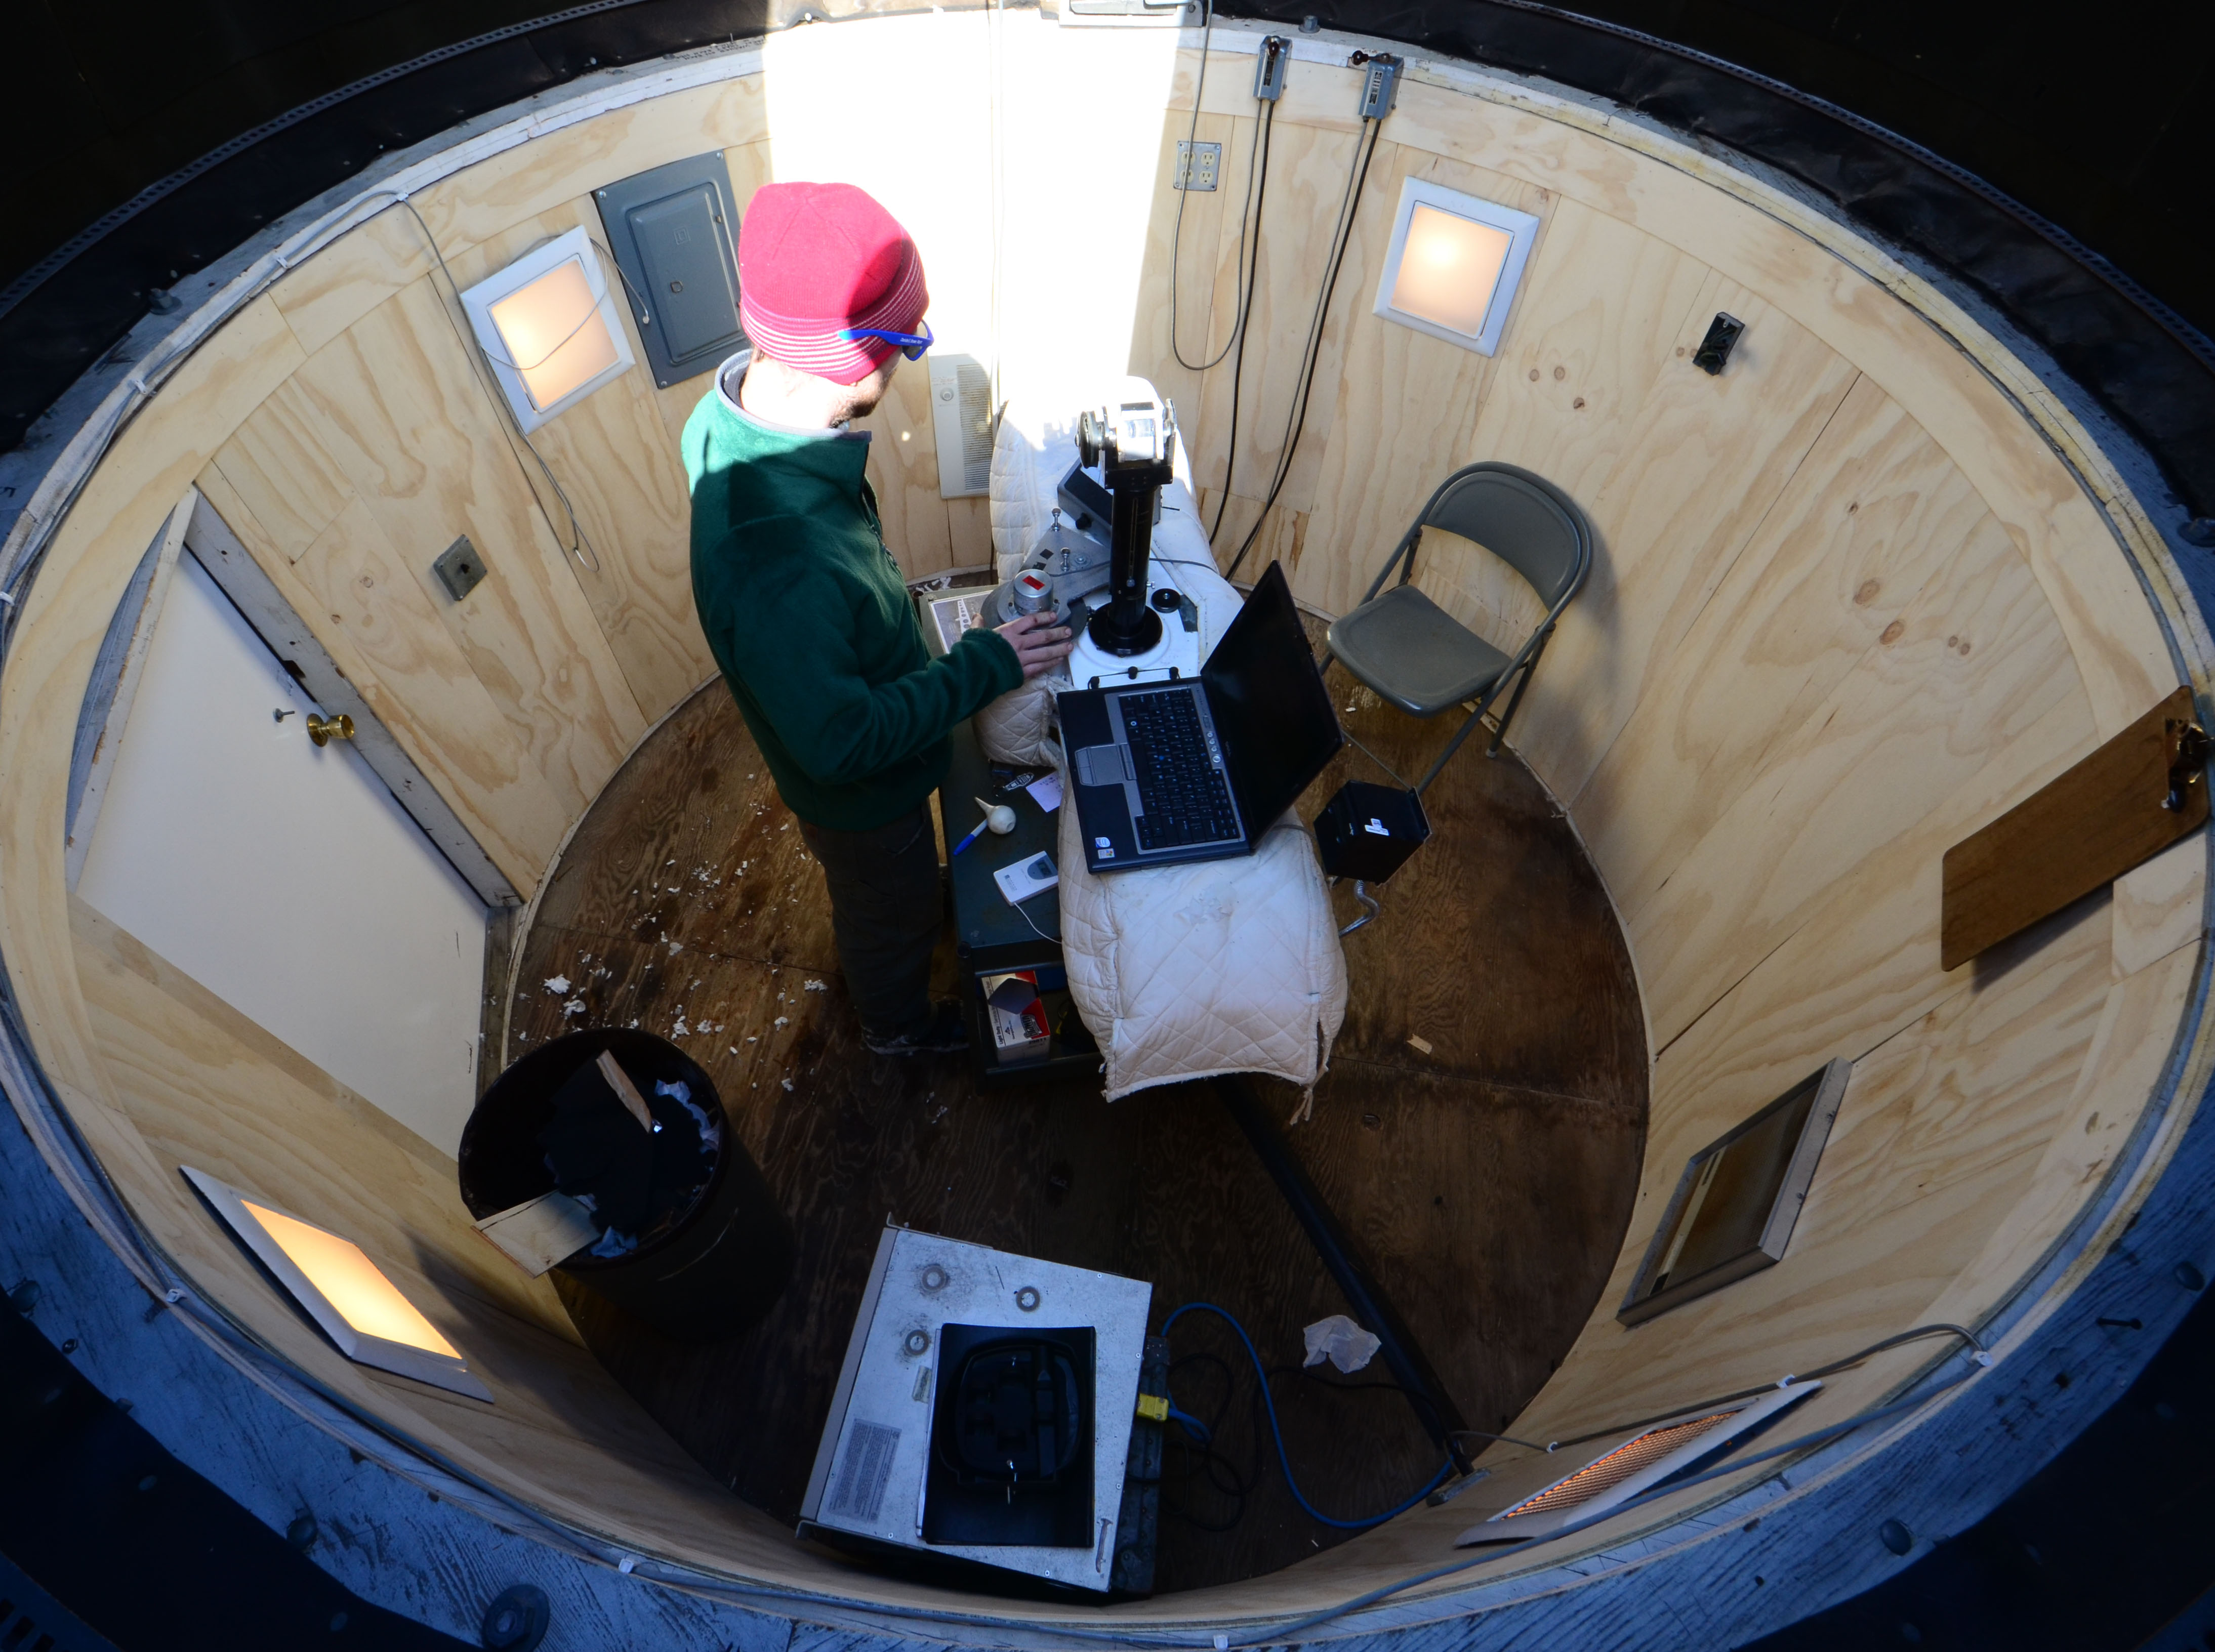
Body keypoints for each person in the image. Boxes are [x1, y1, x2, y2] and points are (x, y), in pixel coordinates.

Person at [684, 181, 1072, 1056]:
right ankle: (895, 1029)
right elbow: (843, 742)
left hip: (873, 770)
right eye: (909, 342)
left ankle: (902, 906)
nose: (909, 364)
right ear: (857, 360)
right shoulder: (774, 561)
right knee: (884, 911)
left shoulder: (746, 420)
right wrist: (986, 664)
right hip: (865, 800)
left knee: (891, 889)